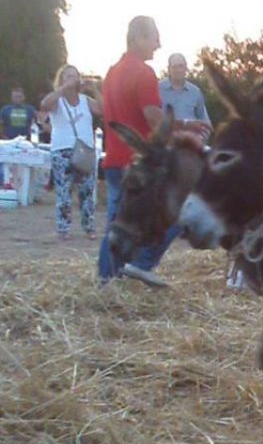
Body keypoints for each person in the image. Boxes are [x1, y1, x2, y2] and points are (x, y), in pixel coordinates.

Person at [97, 16, 209, 287]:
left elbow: (108, 111)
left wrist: (182, 123)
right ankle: (134, 268)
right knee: (176, 212)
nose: (158, 44)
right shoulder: (143, 74)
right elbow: (155, 119)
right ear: (138, 38)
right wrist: (186, 137)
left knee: (119, 222)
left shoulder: (112, 72)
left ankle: (108, 281)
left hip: (114, 158)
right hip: (138, 163)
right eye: (154, 37)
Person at [40, 65, 102, 241]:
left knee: (87, 192)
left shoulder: (85, 100)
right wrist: (63, 88)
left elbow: (104, 110)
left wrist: (95, 89)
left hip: (84, 150)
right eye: (67, 76)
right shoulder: (57, 100)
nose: (72, 79)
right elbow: (44, 105)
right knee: (64, 192)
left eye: (74, 76)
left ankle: (89, 226)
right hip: (62, 150)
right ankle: (63, 228)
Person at [159, 53, 211, 130]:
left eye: (181, 66)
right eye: (174, 67)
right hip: (166, 139)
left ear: (186, 68)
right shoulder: (158, 89)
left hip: (190, 139)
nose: (178, 70)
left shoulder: (195, 92)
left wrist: (201, 138)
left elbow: (203, 119)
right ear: (169, 69)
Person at [1, 87, 38, 184]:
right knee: (7, 167)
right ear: (11, 98)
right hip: (9, 142)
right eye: (15, 97)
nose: (17, 99)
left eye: (19, 96)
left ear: (23, 97)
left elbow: (37, 124)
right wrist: (2, 136)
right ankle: (6, 185)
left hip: (26, 143)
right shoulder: (5, 109)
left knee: (24, 168)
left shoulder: (30, 109)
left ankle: (24, 186)